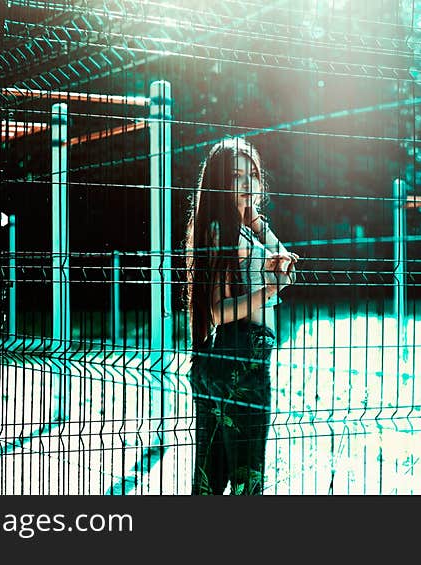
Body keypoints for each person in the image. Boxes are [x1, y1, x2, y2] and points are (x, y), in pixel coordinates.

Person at [184, 137, 298, 495]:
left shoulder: (241, 227)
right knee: (247, 483)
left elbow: (285, 265)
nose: (248, 184)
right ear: (220, 182)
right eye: (237, 176)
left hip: (227, 357)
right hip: (243, 357)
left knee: (210, 481)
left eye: (253, 175)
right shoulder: (223, 231)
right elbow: (218, 311)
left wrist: (255, 219)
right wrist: (268, 290)